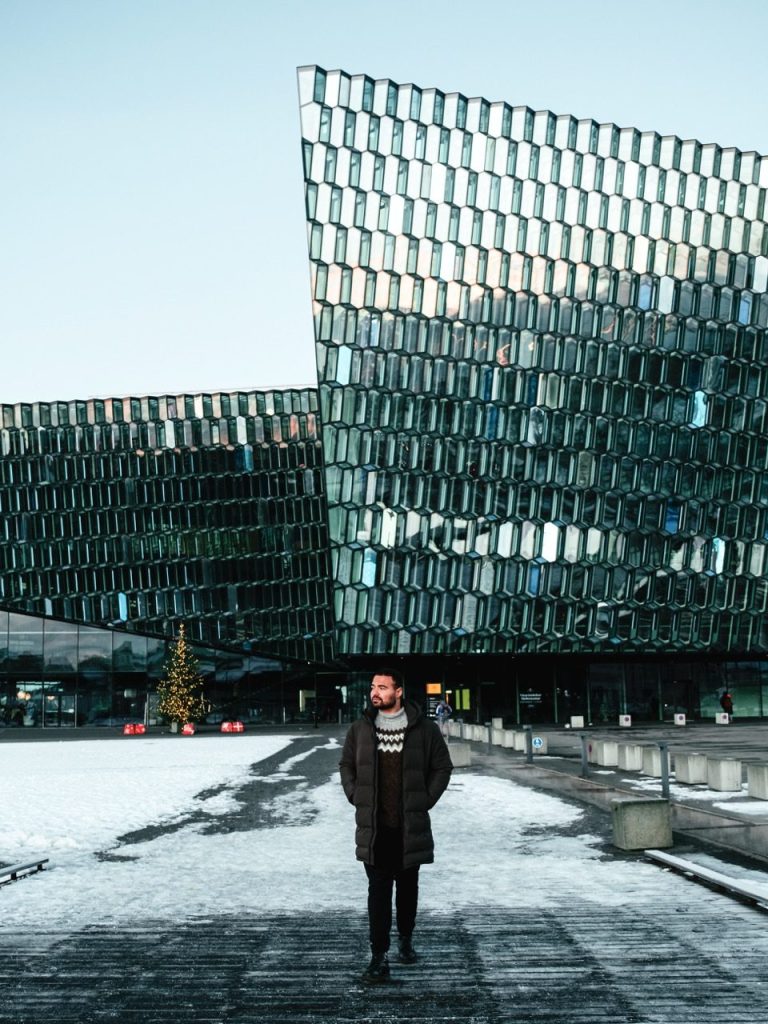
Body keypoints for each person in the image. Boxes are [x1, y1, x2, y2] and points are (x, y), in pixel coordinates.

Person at [339, 668, 453, 984]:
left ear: (398, 691)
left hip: (408, 829)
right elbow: (346, 764)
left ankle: (405, 939)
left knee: (406, 890)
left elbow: (443, 767)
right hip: (374, 829)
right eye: (373, 686)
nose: (375, 692)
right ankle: (379, 956)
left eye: (383, 687)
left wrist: (424, 800)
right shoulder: (360, 729)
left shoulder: (423, 729)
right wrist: (353, 793)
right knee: (377, 893)